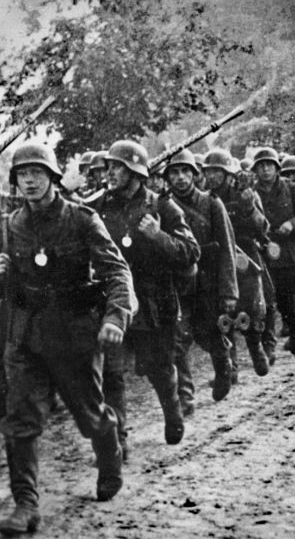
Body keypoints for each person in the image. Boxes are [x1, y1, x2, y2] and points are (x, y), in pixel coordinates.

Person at [0, 144, 136, 536]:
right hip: (25, 336)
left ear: (53, 177)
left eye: (37, 173)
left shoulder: (82, 219)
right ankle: (26, 505)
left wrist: (116, 317)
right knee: (20, 420)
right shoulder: (8, 224)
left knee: (91, 415)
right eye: (22, 174)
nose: (30, 181)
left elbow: (117, 272)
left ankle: (109, 455)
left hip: (73, 335)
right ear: (15, 181)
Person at [89, 140, 198, 439]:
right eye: (108, 167)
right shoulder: (98, 206)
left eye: (117, 167)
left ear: (135, 172)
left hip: (153, 302)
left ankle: (173, 412)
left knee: (159, 369)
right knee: (112, 374)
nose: (109, 173)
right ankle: (118, 437)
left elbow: (191, 252)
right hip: (112, 300)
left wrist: (158, 235)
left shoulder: (161, 205)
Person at [164, 150, 239, 402]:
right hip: (179, 284)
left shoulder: (211, 203)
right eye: (174, 173)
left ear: (195, 175)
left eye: (186, 171)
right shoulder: (164, 206)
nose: (181, 178)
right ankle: (185, 396)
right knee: (176, 339)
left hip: (209, 283)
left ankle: (223, 367)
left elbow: (228, 248)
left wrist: (229, 291)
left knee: (210, 335)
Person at [202, 149, 272, 372]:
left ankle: (256, 349)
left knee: (252, 308)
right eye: (209, 172)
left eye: (217, 171)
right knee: (221, 314)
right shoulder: (205, 199)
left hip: (246, 259)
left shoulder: (245, 193)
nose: (212, 176)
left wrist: (249, 207)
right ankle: (230, 367)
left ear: (227, 173)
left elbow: (263, 229)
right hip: (219, 260)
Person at [253, 147, 295, 356]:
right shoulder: (252, 192)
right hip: (264, 250)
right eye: (261, 166)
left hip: (289, 251)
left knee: (289, 296)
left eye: (269, 165)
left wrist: (292, 224)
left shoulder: (292, 188)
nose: (265, 170)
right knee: (266, 297)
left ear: (276, 168)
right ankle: (269, 342)